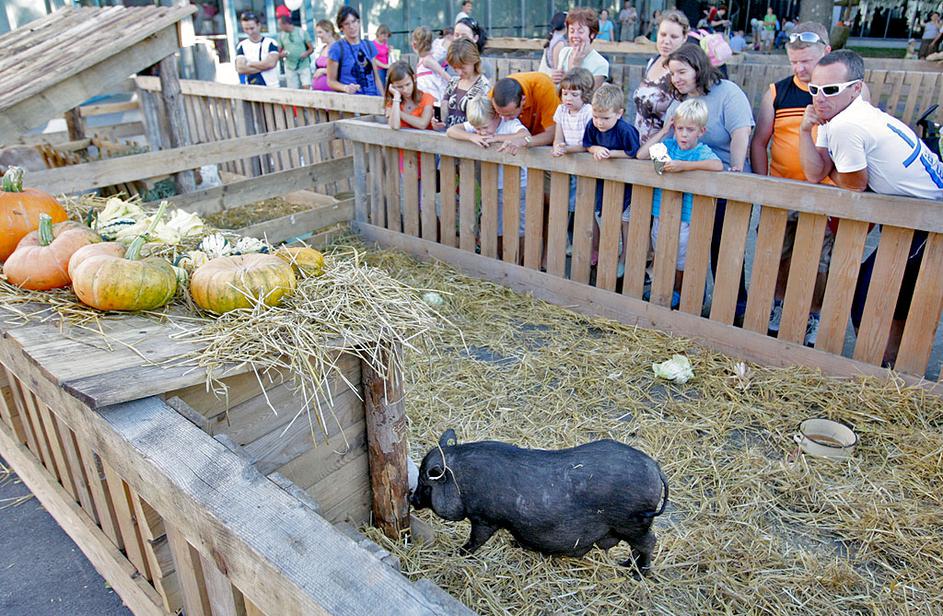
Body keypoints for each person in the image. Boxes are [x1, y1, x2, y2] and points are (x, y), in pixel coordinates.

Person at [798, 50, 943, 365]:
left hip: (929, 218)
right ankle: (889, 365)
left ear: (854, 88)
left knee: (874, 294)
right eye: (814, 88)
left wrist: (833, 168)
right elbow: (814, 172)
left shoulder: (846, 125)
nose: (820, 97)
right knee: (888, 292)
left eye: (831, 89)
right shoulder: (841, 116)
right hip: (916, 215)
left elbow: (853, 185)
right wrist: (804, 131)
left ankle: (887, 366)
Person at [751, 22, 844, 343]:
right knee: (778, 253)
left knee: (820, 259)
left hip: (824, 192)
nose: (800, 68)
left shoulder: (841, 92)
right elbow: (760, 140)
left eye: (808, 61)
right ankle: (778, 304)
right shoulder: (778, 91)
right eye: (794, 62)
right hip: (782, 189)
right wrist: (765, 187)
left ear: (827, 54)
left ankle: (813, 314)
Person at [666, 43, 753, 317]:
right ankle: (692, 298)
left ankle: (735, 306)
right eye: (672, 74)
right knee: (692, 242)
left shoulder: (727, 93)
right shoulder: (679, 102)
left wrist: (735, 170)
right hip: (693, 180)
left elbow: (741, 132)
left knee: (724, 245)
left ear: (698, 67)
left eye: (682, 72)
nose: (676, 78)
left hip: (724, 176)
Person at [638, 98, 723, 308]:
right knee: (662, 252)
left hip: (687, 217)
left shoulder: (700, 152)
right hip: (661, 212)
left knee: (682, 260)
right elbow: (641, 155)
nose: (684, 134)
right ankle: (664, 292)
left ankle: (679, 293)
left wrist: (684, 166)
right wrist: (664, 131)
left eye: (690, 130)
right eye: (680, 128)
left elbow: (717, 165)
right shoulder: (667, 146)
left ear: (701, 131)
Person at [447, 95, 530, 240]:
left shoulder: (509, 124)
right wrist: (471, 137)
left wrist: (497, 138)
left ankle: (518, 260)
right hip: (493, 185)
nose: (482, 133)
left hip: (518, 185)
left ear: (496, 116)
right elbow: (451, 130)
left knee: (519, 227)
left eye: (485, 128)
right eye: (477, 129)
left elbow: (525, 135)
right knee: (495, 227)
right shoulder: (480, 125)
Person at [582, 83, 642, 272]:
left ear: (619, 113)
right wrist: (595, 149)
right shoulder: (592, 125)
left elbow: (633, 153)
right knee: (602, 216)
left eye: (605, 118)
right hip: (602, 184)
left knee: (625, 220)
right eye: (596, 116)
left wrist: (610, 154)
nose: (599, 122)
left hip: (625, 186)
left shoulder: (626, 130)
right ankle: (605, 255)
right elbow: (587, 144)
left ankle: (624, 258)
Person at [632, 10, 688, 144]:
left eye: (674, 37)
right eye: (663, 34)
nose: (666, 41)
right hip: (637, 144)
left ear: (684, 38)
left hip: (662, 150)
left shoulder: (682, 71)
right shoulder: (653, 61)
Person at [551, 68, 595, 216]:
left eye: (574, 94)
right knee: (564, 204)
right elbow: (558, 136)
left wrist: (567, 150)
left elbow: (588, 144)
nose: (568, 98)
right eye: (565, 94)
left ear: (585, 95)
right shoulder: (561, 110)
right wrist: (557, 146)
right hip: (567, 163)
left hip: (584, 164)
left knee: (581, 208)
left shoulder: (588, 111)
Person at [490, 72, 561, 155]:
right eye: (499, 114)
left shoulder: (544, 88)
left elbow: (552, 134)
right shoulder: (493, 94)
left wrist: (525, 140)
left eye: (509, 115)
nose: (505, 119)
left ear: (523, 100)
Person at [327, 6, 381, 96]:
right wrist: (345, 88)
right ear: (341, 28)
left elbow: (376, 78)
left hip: (373, 99)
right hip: (352, 103)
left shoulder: (369, 45)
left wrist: (383, 101)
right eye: (346, 24)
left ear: (359, 22)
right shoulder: (336, 48)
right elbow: (331, 81)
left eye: (354, 21)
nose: (351, 27)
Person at [552, 7, 610, 90]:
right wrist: (554, 79)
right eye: (572, 31)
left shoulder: (600, 64)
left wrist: (575, 67)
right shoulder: (564, 52)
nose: (575, 36)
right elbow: (559, 90)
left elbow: (588, 98)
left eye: (580, 31)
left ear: (592, 34)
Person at [439, 38, 491, 129]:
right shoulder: (453, 82)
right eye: (455, 68)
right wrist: (439, 120)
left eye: (462, 67)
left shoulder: (483, 86)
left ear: (474, 61)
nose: (459, 72)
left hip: (470, 137)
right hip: (449, 136)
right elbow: (444, 106)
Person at [235, 11, 280, 87]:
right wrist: (264, 66)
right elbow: (240, 68)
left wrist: (250, 64)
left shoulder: (271, 43)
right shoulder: (242, 45)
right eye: (246, 29)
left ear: (258, 25)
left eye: (252, 28)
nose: (250, 32)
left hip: (271, 86)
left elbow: (271, 63)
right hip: (252, 87)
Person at [412, 27, 451, 104]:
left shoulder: (428, 60)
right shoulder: (423, 60)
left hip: (434, 101)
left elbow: (444, 74)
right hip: (427, 101)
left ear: (414, 44)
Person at [277, 16, 314, 90]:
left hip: (303, 65)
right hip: (290, 66)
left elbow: (311, 49)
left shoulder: (301, 32)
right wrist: (282, 54)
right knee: (293, 90)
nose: (279, 27)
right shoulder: (281, 35)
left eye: (280, 25)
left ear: (286, 24)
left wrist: (306, 53)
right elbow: (278, 52)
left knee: (306, 86)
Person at [455, 17, 495, 82]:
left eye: (464, 36)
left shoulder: (483, 65)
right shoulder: (445, 60)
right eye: (456, 35)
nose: (459, 39)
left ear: (475, 38)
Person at [312, 20, 339, 91]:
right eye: (317, 33)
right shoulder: (323, 48)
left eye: (320, 32)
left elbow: (342, 69)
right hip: (319, 92)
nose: (318, 35)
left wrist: (323, 71)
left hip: (332, 92)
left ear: (329, 32)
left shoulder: (339, 48)